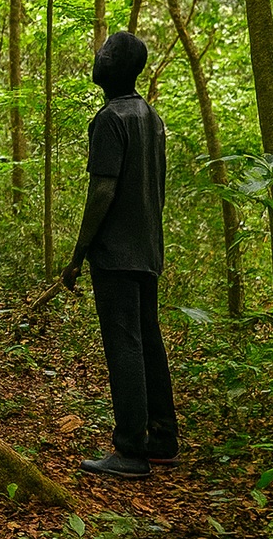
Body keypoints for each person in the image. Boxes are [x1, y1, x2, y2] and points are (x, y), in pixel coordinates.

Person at [60, 30, 178, 479]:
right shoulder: (150, 116)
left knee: (125, 345)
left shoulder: (111, 118)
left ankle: (130, 449)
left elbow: (103, 189)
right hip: (147, 249)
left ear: (117, 67)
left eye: (105, 52)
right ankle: (163, 439)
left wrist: (79, 252)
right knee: (148, 340)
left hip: (116, 254)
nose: (98, 56)